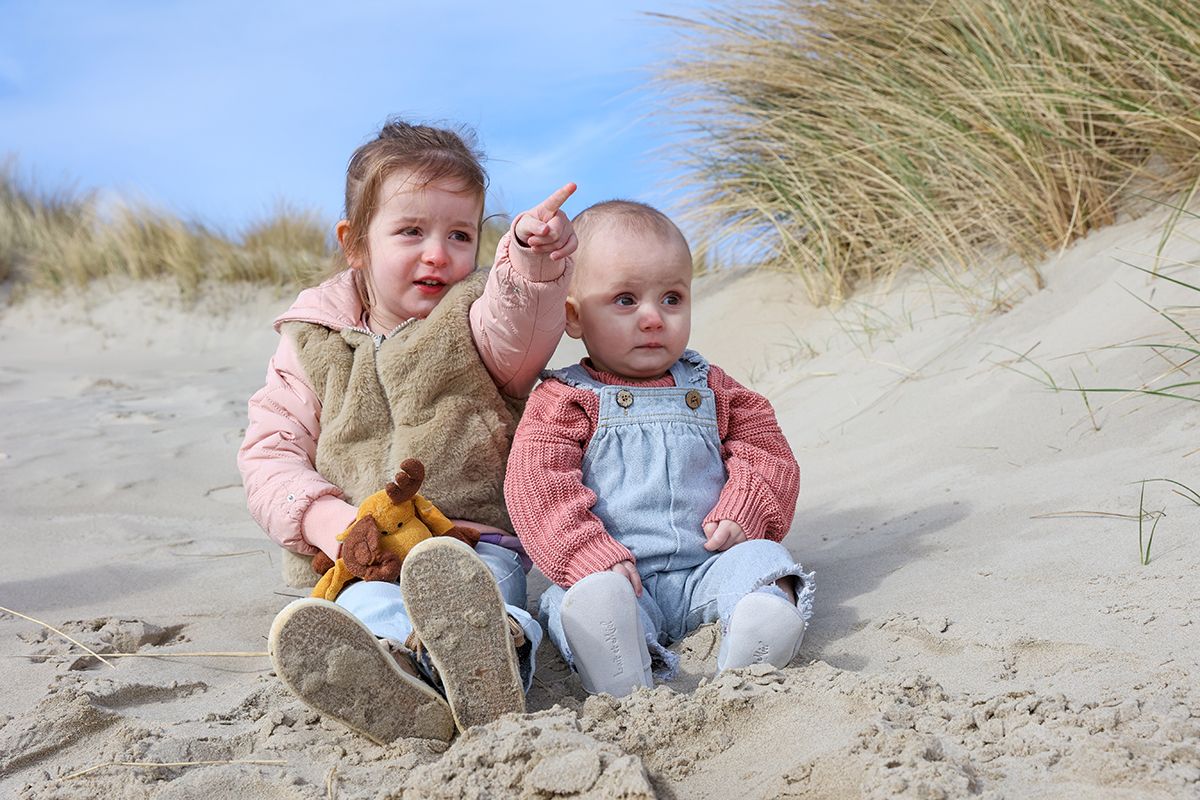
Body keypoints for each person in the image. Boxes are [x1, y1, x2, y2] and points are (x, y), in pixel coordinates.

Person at [237, 118, 577, 743]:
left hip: (470, 540)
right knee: (367, 612)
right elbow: (270, 451)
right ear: (355, 243)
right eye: (411, 231)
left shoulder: (478, 323)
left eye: (459, 234)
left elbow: (521, 323)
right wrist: (329, 522)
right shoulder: (311, 342)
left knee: (486, 602)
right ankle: (395, 680)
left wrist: (531, 263)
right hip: (358, 555)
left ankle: (488, 667)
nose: (438, 254)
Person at [504, 200, 813, 697]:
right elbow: (537, 486)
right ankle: (618, 658)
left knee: (766, 562)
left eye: (671, 298)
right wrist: (586, 554)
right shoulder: (565, 399)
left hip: (708, 566)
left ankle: (757, 635)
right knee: (574, 600)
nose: (653, 318)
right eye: (625, 300)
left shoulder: (712, 386)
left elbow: (765, 450)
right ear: (574, 317)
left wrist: (747, 507)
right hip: (619, 576)